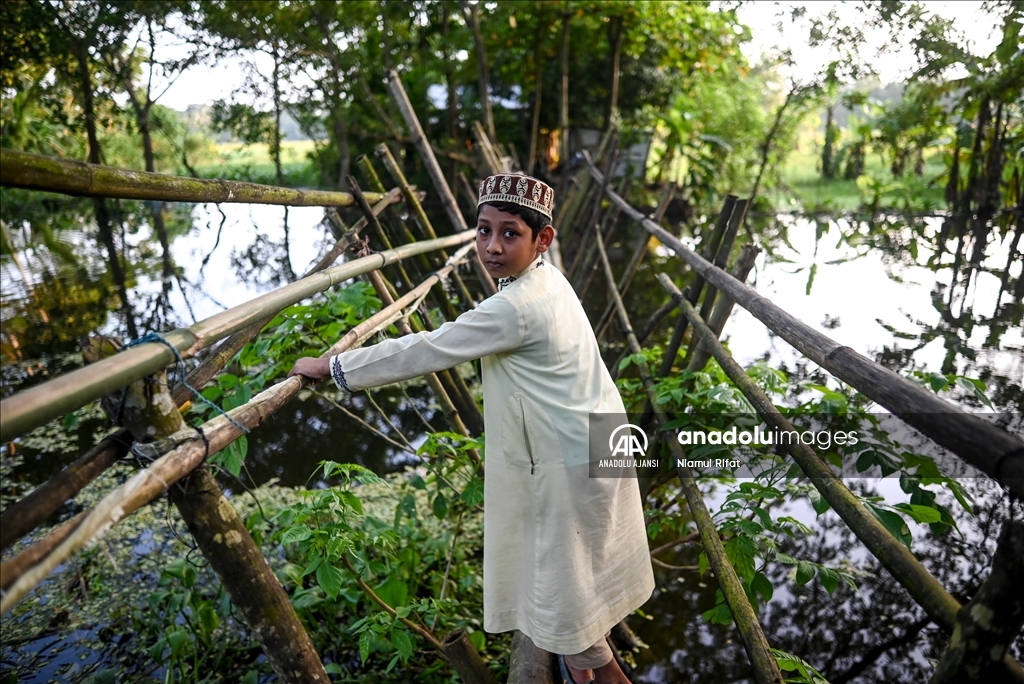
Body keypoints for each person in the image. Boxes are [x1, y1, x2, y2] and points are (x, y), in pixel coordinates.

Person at [289, 174, 654, 684]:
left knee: (567, 583)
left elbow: (429, 348)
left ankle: (600, 674)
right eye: (483, 231)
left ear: (541, 240)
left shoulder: (516, 306)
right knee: (579, 581)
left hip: (570, 460)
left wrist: (333, 366)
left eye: (509, 234)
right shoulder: (549, 281)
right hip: (597, 438)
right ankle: (586, 670)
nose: (491, 247)